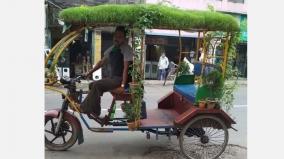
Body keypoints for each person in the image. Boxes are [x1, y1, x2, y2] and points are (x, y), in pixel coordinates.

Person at [75, 26, 133, 118]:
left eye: (120, 36)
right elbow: (101, 62)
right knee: (90, 85)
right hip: (113, 78)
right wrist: (88, 73)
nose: (117, 38)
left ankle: (86, 108)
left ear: (124, 38)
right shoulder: (113, 48)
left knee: (97, 85)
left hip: (120, 79)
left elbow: (126, 68)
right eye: (116, 36)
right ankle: (93, 109)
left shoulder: (127, 49)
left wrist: (122, 86)